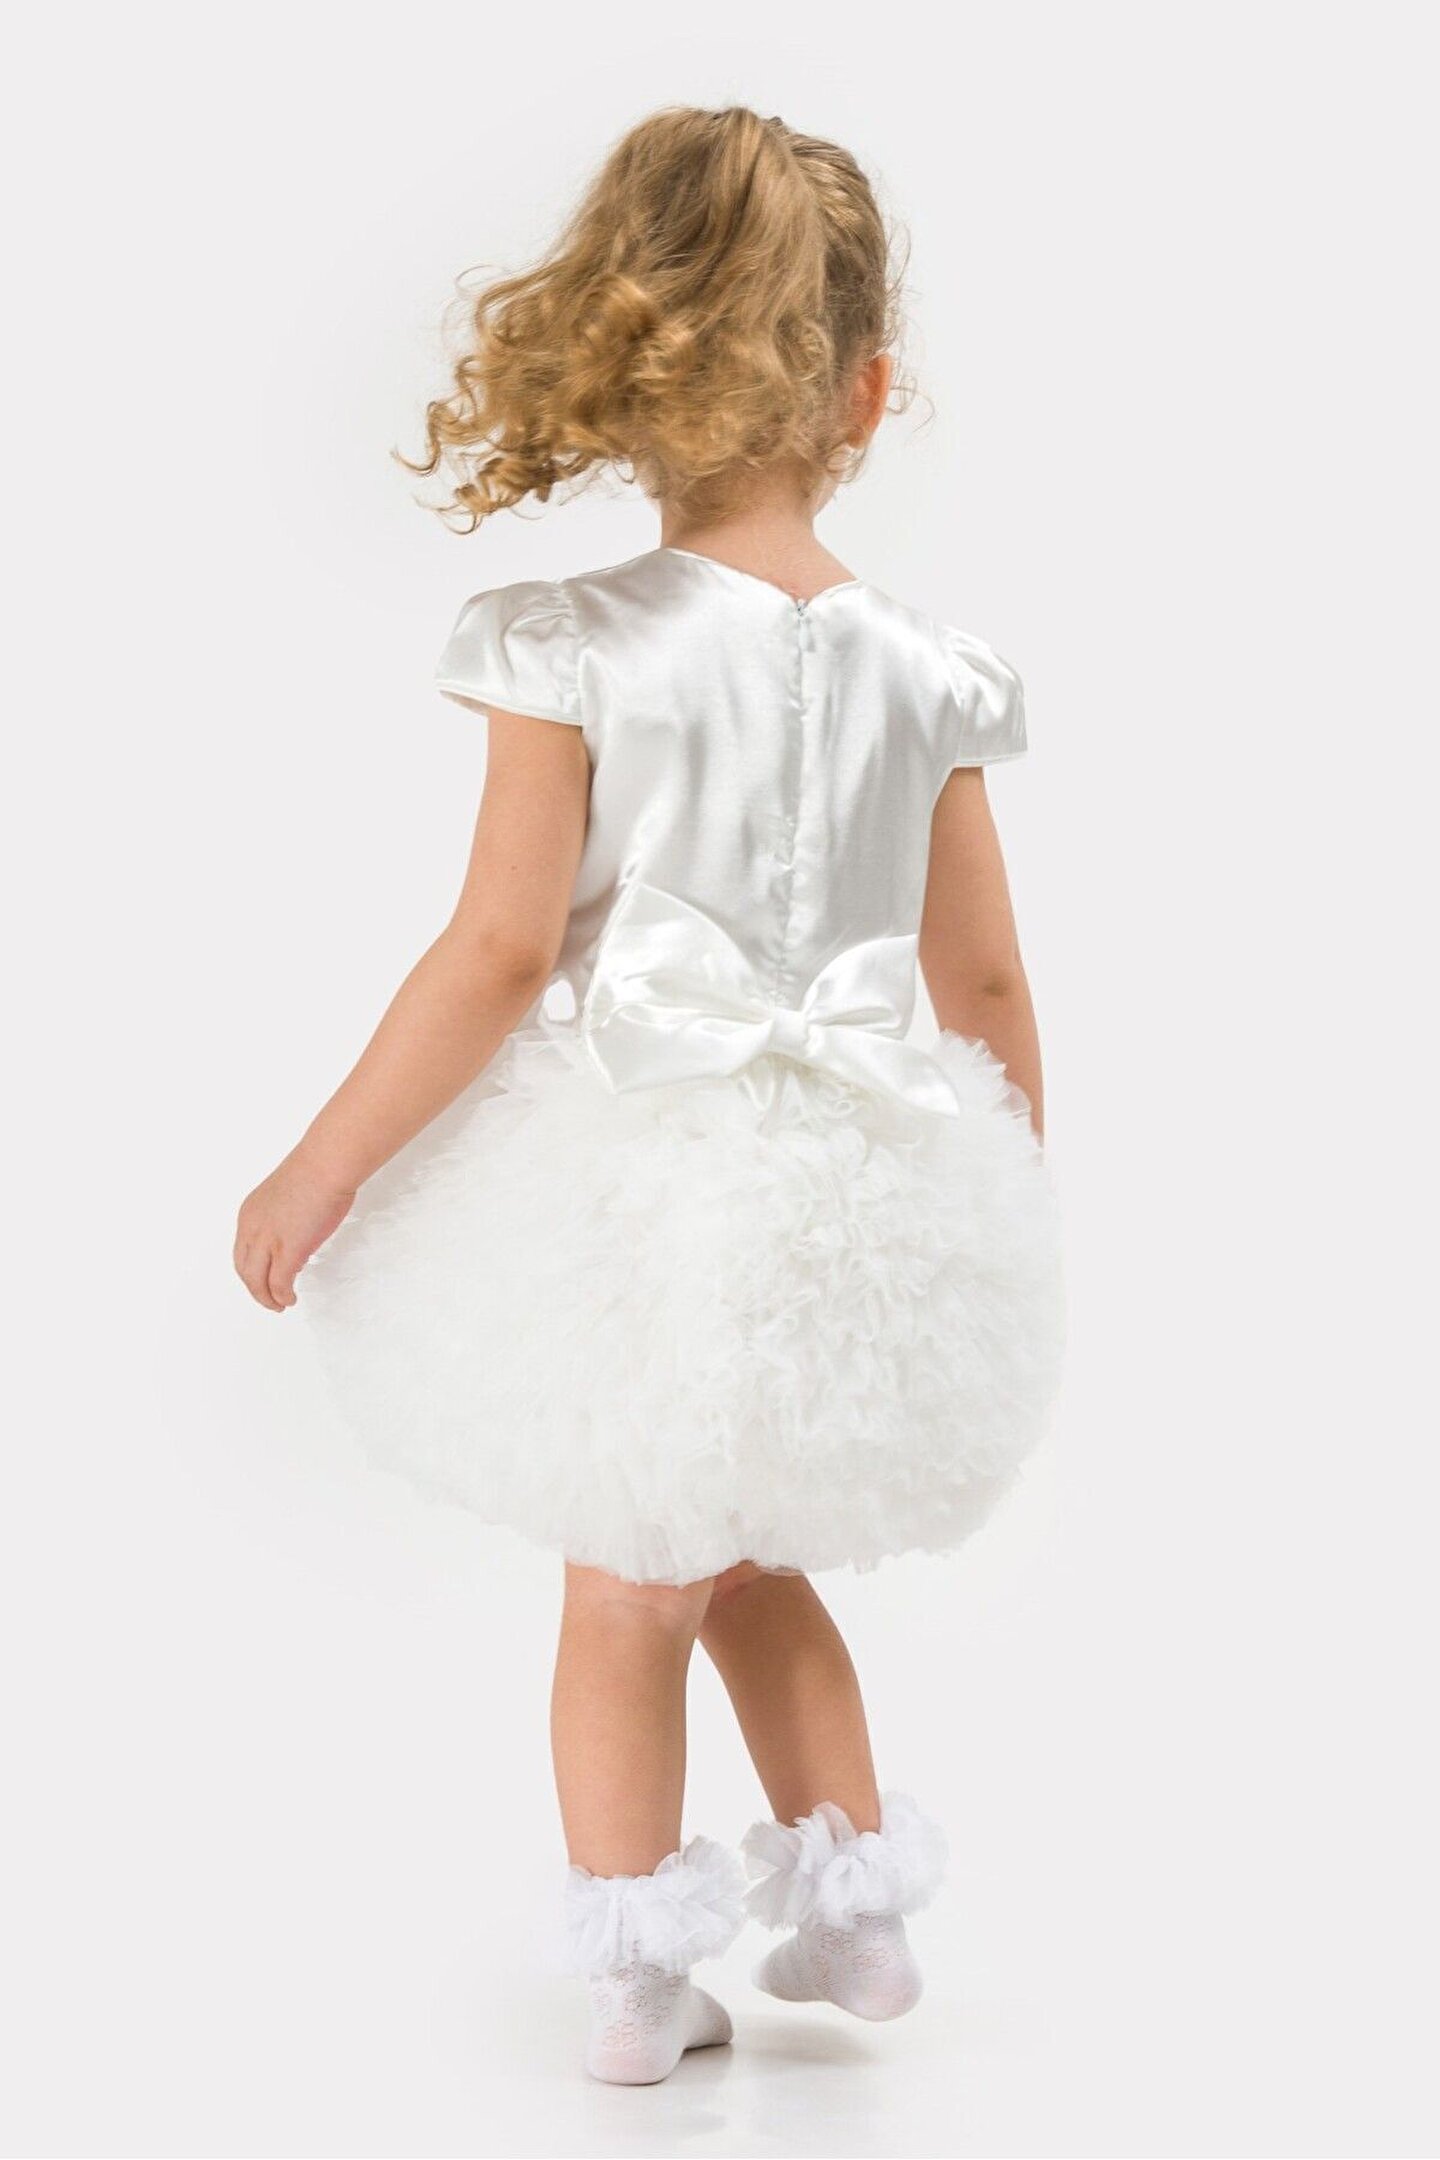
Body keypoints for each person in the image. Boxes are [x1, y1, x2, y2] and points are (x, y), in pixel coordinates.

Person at [234, 104, 1064, 2086]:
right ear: (866, 391)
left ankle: (631, 1983)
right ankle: (856, 1921)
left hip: (644, 1193)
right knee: (756, 1559)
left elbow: (497, 953)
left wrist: (320, 1169)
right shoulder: (932, 669)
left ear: (633, 373)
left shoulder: (571, 648)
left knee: (628, 1583)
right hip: (861, 1184)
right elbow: (983, 983)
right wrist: (1008, 1205)